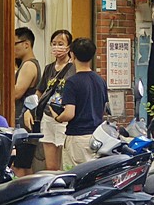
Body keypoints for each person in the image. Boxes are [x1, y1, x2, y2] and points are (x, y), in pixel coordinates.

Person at [52, 37, 107, 170]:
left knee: (74, 178)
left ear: (72, 54)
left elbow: (69, 113)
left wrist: (57, 117)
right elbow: (104, 108)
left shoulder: (72, 82)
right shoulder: (100, 81)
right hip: (97, 137)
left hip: (77, 137)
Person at [35, 29, 75, 171]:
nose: (57, 47)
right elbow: (40, 91)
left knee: (65, 163)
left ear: (69, 47)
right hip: (47, 117)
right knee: (51, 165)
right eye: (54, 43)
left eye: (61, 44)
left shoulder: (73, 69)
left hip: (64, 118)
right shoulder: (48, 68)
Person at [11, 27, 41, 175]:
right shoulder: (25, 64)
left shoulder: (29, 65)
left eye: (15, 43)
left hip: (23, 122)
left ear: (26, 44)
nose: (12, 48)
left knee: (19, 166)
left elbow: (16, 93)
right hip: (23, 121)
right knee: (24, 165)